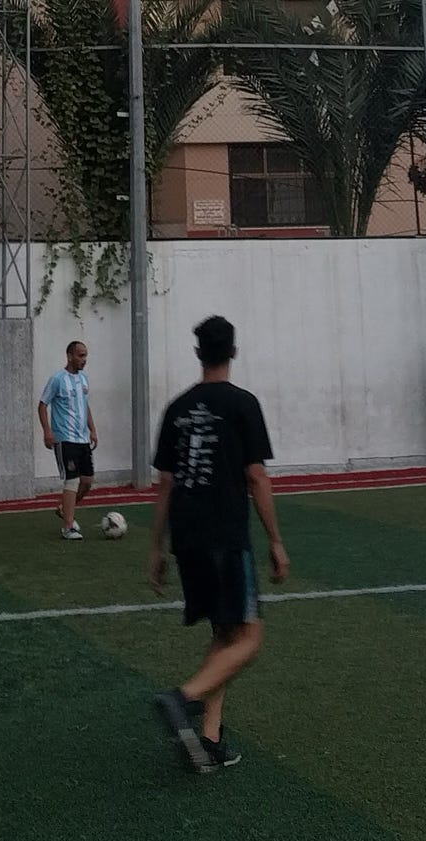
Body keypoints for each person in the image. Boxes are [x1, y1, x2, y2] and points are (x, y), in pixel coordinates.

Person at [149, 316, 288, 774]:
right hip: (226, 536)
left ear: (198, 352)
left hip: (187, 537)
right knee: (250, 637)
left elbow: (165, 483)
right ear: (234, 350)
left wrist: (156, 549)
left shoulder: (177, 408)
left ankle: (209, 739)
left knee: (224, 633)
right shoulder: (242, 404)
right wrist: (275, 541)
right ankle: (183, 698)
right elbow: (256, 476)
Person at [38, 338, 97, 539]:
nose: (84, 359)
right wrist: (47, 432)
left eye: (85, 355)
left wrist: (93, 429)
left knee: (87, 481)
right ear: (70, 356)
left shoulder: (84, 379)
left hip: (82, 439)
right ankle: (68, 527)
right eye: (81, 355)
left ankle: (65, 509)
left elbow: (85, 405)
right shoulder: (57, 379)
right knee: (72, 480)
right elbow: (42, 405)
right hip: (65, 438)